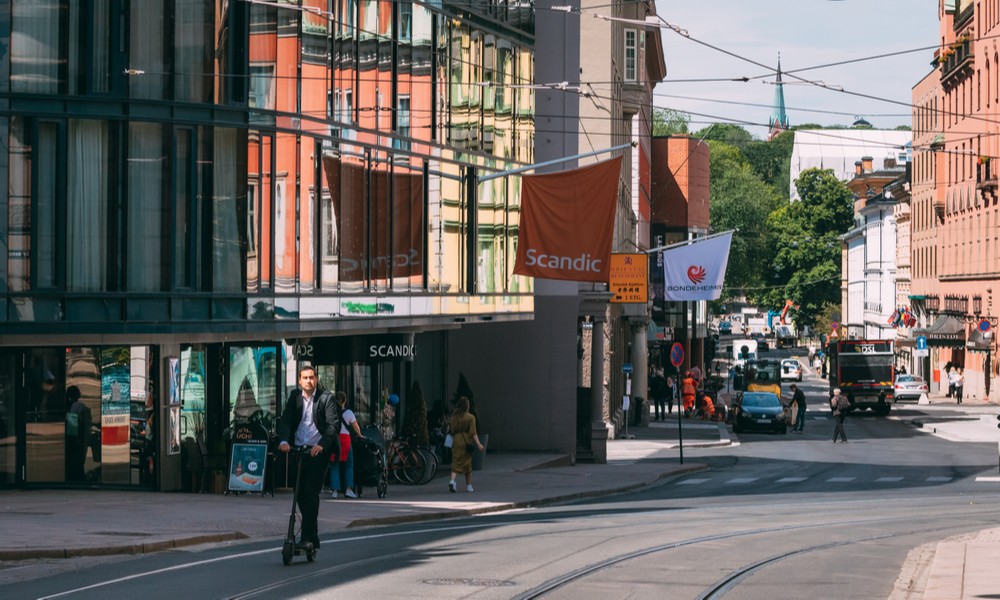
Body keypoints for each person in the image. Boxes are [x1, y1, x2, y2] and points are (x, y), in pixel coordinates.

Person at [277, 366, 340, 550]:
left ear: (316, 378)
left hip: (317, 452)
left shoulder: (326, 398)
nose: (308, 381)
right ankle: (312, 532)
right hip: (298, 451)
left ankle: (307, 537)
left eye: (311, 377)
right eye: (305, 378)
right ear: (299, 380)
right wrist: (283, 441)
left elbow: (332, 426)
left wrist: (321, 445)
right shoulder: (294, 397)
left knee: (310, 493)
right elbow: (286, 421)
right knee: (299, 495)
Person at [329, 391, 362, 499]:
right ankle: (348, 490)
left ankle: (334, 491)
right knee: (349, 465)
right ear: (345, 401)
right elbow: (356, 427)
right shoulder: (349, 413)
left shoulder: (331, 412)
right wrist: (360, 435)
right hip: (346, 440)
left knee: (334, 465)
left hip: (334, 439)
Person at [448, 396, 484, 493]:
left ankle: (452, 481)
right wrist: (479, 444)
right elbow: (473, 433)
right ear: (467, 406)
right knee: (467, 465)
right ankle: (468, 486)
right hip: (466, 441)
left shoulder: (454, 417)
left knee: (455, 462)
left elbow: (451, 431)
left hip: (456, 440)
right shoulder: (470, 417)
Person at [65, 386, 92, 482]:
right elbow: (77, 423)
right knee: (77, 460)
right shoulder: (78, 407)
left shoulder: (69, 406)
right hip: (76, 437)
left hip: (72, 437)